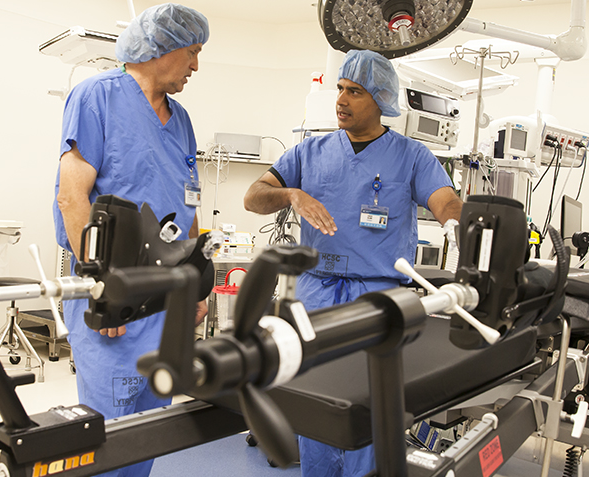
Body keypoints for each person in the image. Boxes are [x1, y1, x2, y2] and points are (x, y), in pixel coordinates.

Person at [243, 49, 463, 477]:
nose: (341, 99)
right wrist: (291, 194)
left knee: (371, 401)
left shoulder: (411, 156)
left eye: (355, 91)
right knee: (316, 397)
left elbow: (446, 202)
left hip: (377, 295)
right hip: (316, 290)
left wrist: (461, 227)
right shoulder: (311, 152)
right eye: (340, 89)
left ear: (380, 100)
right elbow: (253, 197)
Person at [52, 4, 209, 477]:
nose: (195, 67)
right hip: (114, 295)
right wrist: (105, 291)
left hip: (167, 297)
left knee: (149, 426)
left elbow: (188, 205)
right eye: (193, 52)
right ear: (161, 49)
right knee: (110, 434)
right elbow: (71, 197)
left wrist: (194, 286)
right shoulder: (95, 97)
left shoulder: (180, 119)